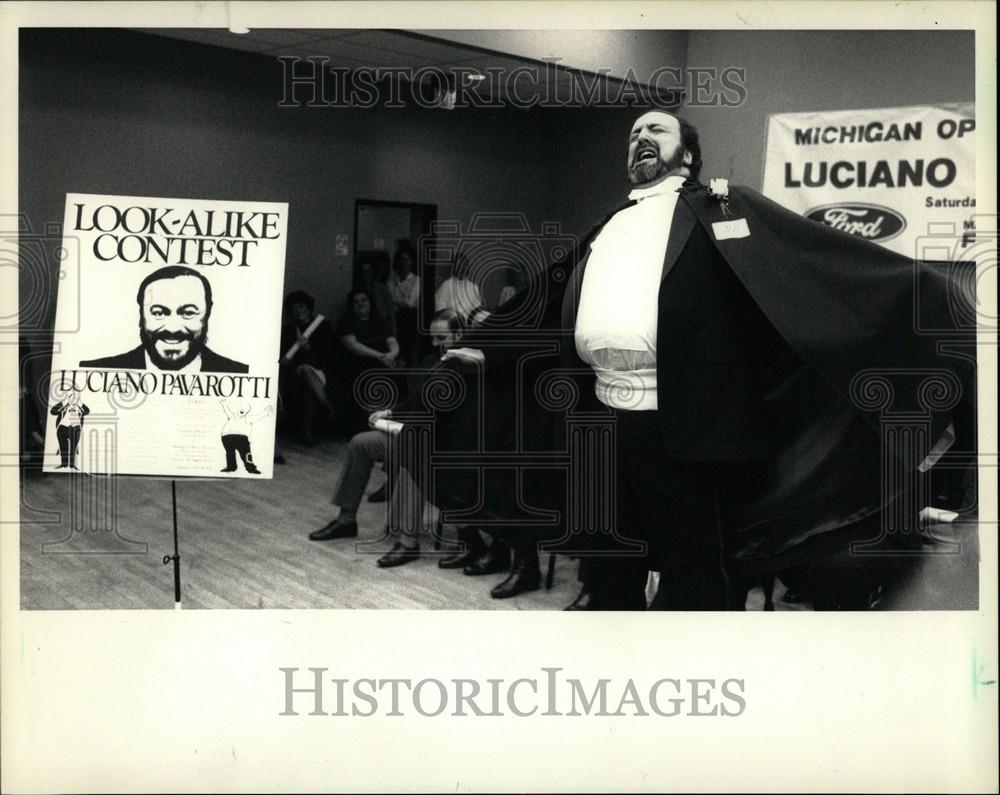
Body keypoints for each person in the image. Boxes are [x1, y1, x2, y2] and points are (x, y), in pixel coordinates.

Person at [550, 109, 974, 610]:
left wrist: (940, 303)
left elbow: (818, 263)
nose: (641, 137)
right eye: (634, 133)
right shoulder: (610, 224)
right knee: (611, 570)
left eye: (656, 130)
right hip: (604, 428)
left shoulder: (724, 209)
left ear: (687, 155)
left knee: (695, 581)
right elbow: (543, 294)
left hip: (686, 435)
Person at [309, 309, 473, 565]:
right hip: (414, 433)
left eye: (442, 338)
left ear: (460, 334)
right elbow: (415, 401)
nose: (436, 344)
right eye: (433, 338)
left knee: (412, 454)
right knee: (361, 443)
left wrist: (405, 425)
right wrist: (390, 412)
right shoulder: (432, 359)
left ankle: (408, 542)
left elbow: (452, 416)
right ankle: (346, 519)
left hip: (443, 445)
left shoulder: (466, 368)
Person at [79, 265, 248, 373]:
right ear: (141, 316)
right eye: (159, 313)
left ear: (207, 315)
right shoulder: (93, 373)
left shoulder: (241, 375)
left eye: (188, 313)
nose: (173, 328)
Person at [336, 289, 400, 433]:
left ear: (370, 303)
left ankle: (387, 422)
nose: (360, 304)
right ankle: (371, 424)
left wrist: (392, 354)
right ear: (351, 306)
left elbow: (392, 341)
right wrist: (381, 356)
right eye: (356, 302)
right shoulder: (347, 322)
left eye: (364, 300)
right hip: (357, 363)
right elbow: (353, 346)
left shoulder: (380, 322)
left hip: (382, 362)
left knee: (397, 374)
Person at [279, 290, 337, 442]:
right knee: (304, 369)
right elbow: (285, 360)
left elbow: (329, 355)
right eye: (295, 309)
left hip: (321, 372)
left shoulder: (322, 325)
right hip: (298, 373)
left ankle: (309, 430)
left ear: (308, 307)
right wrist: (288, 359)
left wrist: (308, 349)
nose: (299, 311)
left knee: (307, 376)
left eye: (301, 307)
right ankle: (326, 406)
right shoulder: (288, 331)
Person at [387, 246, 421, 363]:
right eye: (402, 259)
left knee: (406, 350)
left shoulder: (417, 280)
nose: (404, 262)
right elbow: (389, 298)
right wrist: (401, 299)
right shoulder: (392, 279)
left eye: (408, 259)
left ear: (412, 262)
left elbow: (410, 303)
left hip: (408, 320)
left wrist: (397, 300)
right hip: (394, 318)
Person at [434, 253, 484, 324]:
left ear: (468, 268)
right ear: (454, 268)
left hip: (468, 327)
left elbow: (477, 312)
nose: (462, 269)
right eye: (459, 266)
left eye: (464, 266)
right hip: (450, 326)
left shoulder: (474, 288)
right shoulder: (446, 285)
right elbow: (439, 309)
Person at [50, 390, 89, 469]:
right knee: (63, 447)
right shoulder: (64, 406)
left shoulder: (79, 408)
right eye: (71, 398)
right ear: (68, 399)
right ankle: (63, 464)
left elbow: (87, 411)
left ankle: (72, 465)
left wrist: (80, 405)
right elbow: (53, 411)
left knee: (73, 448)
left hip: (75, 428)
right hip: (63, 428)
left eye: (75, 398)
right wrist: (63, 404)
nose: (73, 400)